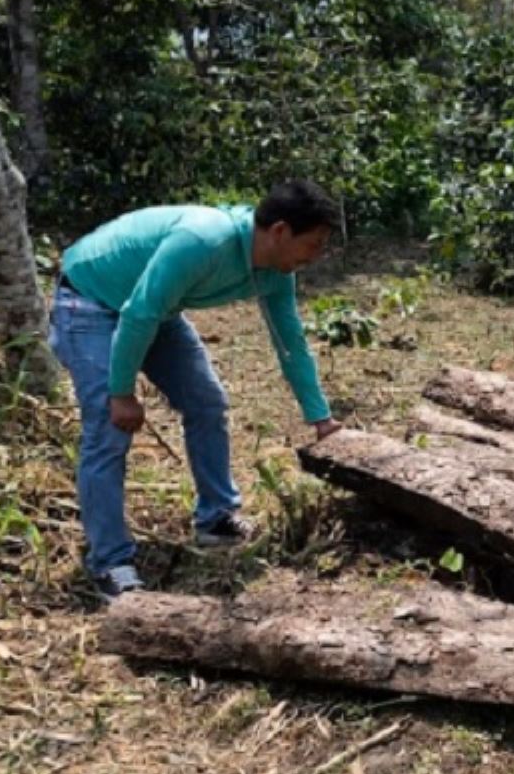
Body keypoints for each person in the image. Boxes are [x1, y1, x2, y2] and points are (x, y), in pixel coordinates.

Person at [48, 181, 344, 600]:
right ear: (279, 231)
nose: (314, 258)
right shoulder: (205, 241)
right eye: (312, 245)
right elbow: (138, 313)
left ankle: (215, 519)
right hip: (91, 298)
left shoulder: (275, 274)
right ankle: (110, 562)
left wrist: (321, 419)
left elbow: (290, 344)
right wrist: (121, 392)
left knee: (206, 402)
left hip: (153, 308)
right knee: (109, 429)